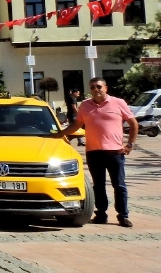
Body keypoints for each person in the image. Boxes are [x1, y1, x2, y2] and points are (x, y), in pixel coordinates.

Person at [59, 77, 137, 227]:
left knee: (119, 185)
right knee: (98, 185)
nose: (96, 89)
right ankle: (101, 214)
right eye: (93, 87)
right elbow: (77, 124)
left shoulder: (118, 103)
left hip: (115, 152)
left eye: (99, 86)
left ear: (105, 88)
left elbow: (133, 123)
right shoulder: (85, 106)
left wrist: (130, 144)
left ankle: (123, 215)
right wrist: (59, 134)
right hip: (94, 152)